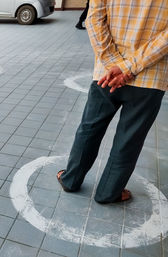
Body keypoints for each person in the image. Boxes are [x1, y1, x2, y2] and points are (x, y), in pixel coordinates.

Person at [57, 0, 167, 203]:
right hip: (150, 77)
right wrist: (128, 68)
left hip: (106, 75)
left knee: (90, 128)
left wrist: (113, 64)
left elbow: (94, 19)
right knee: (129, 139)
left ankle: (71, 178)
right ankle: (109, 192)